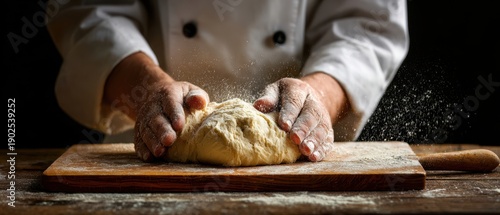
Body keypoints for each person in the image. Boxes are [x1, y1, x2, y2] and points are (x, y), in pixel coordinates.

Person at [46, 0, 409, 162]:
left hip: (293, 139)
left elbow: (368, 24)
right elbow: (88, 10)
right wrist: (146, 90)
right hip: (152, 150)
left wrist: (319, 94)